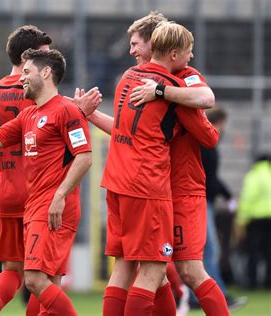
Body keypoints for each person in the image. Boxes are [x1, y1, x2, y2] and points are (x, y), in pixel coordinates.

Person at [79, 13, 230, 316]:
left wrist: (161, 92)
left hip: (171, 187)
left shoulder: (175, 78)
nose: (132, 50)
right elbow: (209, 134)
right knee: (152, 270)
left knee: (179, 270)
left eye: (135, 44)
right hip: (150, 186)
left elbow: (206, 99)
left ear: (154, 44)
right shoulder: (149, 79)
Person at [0, 48, 92, 316]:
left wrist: (59, 196)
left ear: (46, 72)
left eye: (27, 72)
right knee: (45, 281)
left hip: (52, 208)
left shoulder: (67, 110)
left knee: (33, 279)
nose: (22, 79)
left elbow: (84, 157)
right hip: (34, 207)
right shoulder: (28, 115)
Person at [0, 25, 52, 316]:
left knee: (11, 269)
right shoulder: (36, 92)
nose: (50, 61)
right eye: (44, 55)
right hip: (36, 193)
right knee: (41, 275)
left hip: (4, 191)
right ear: (27, 57)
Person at [199, 107, 247, 309]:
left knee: (204, 251)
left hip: (202, 201)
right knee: (209, 251)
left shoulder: (206, 144)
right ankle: (218, 294)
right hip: (202, 203)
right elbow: (211, 178)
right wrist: (228, 197)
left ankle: (202, 295)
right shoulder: (208, 145)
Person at [236, 153, 271, 289]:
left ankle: (252, 282)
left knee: (253, 251)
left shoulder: (254, 175)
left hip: (255, 219)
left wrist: (241, 219)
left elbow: (248, 198)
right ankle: (268, 282)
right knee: (269, 252)